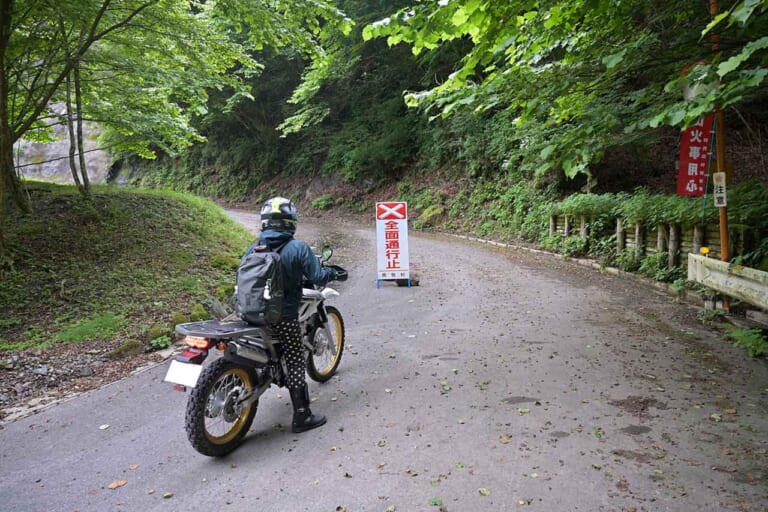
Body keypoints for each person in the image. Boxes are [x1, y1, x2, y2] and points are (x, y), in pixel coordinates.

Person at [245, 196, 337, 433]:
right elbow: (317, 276)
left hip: (250, 313)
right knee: (296, 359)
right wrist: (331, 274)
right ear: (290, 222)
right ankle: (302, 415)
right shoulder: (297, 248)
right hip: (282, 316)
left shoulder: (254, 247)